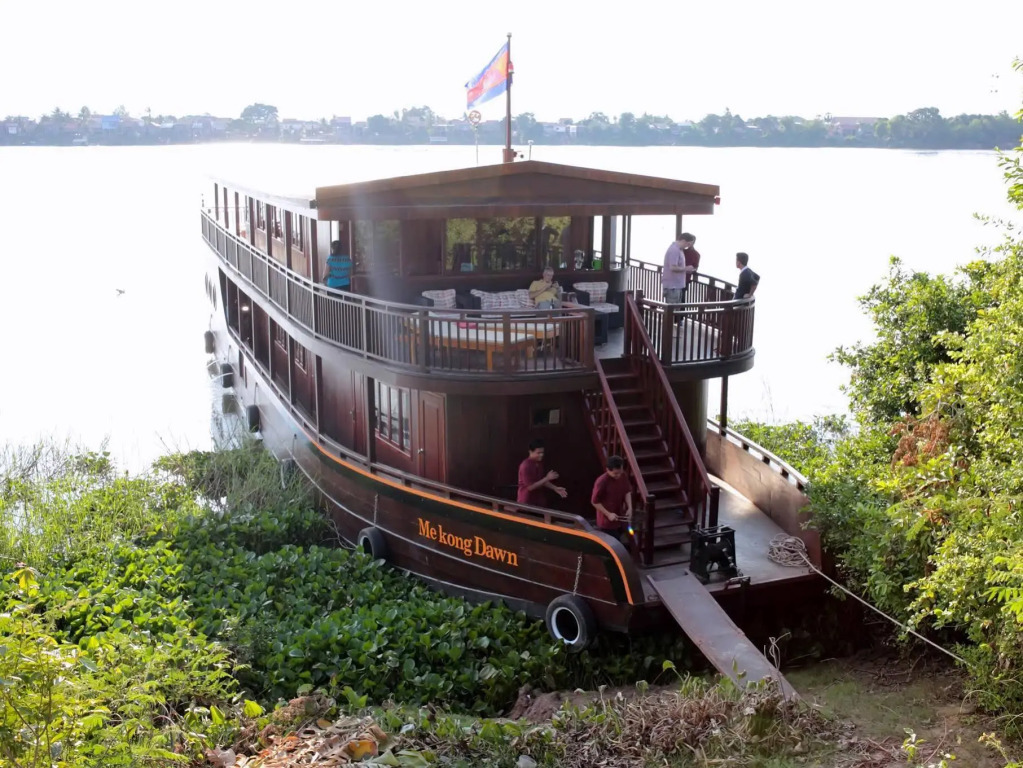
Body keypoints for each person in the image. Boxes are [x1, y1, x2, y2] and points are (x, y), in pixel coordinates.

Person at [591, 455, 633, 542]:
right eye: (615, 473)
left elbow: (627, 491)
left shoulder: (623, 475)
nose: (618, 475)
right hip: (607, 522)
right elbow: (594, 502)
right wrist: (608, 514)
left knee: (626, 536)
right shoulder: (602, 481)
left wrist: (630, 507)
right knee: (615, 544)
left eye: (620, 472)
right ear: (608, 470)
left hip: (620, 516)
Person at [517, 439, 567, 506]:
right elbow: (530, 487)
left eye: (542, 453)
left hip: (538, 501)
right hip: (527, 501)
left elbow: (541, 481)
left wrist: (555, 488)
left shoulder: (539, 463)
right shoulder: (525, 465)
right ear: (530, 452)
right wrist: (547, 478)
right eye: (538, 453)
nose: (541, 455)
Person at [662, 233, 700, 303]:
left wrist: (687, 269)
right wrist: (686, 268)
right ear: (683, 241)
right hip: (673, 287)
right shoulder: (674, 250)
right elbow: (673, 267)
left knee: (676, 307)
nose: (688, 246)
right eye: (688, 244)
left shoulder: (679, 249)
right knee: (673, 308)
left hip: (676, 286)